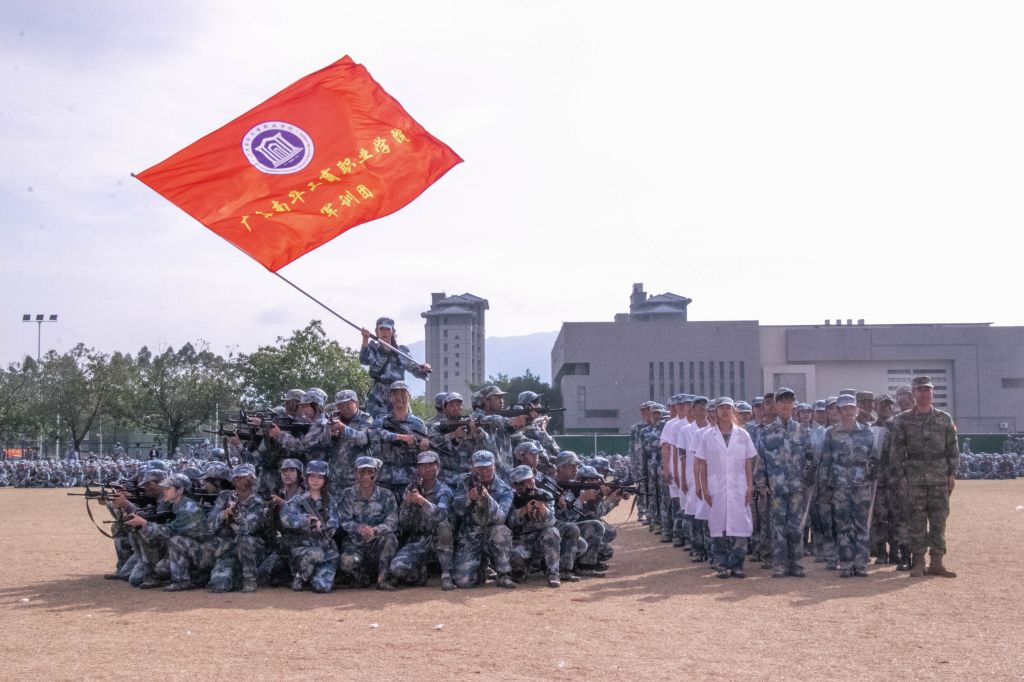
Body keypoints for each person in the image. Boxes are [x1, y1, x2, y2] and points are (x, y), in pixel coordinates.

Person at [890, 376, 959, 578]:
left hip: (939, 477)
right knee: (916, 520)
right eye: (919, 390)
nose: (924, 393)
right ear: (913, 394)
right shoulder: (902, 420)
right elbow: (896, 451)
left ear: (932, 393)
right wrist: (900, 476)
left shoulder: (944, 418)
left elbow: (953, 448)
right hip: (914, 477)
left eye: (927, 389)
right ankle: (919, 562)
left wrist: (952, 473)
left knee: (939, 520)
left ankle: (937, 562)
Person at [695, 398, 757, 578]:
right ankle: (721, 564)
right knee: (718, 526)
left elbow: (748, 461)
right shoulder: (708, 436)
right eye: (721, 408)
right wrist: (705, 488)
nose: (724, 411)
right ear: (715, 411)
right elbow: (702, 463)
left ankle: (737, 565)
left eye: (728, 408)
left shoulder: (743, 435)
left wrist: (750, 485)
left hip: (739, 487)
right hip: (717, 488)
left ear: (733, 411)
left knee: (740, 526)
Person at [820, 395, 879, 578]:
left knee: (861, 525)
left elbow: (874, 457)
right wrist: (825, 486)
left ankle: (860, 564)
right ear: (838, 411)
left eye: (851, 408)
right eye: (844, 408)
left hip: (862, 485)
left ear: (856, 410)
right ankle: (846, 564)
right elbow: (826, 461)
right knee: (843, 525)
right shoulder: (831, 433)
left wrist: (872, 475)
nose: (848, 411)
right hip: (840, 485)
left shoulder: (867, 432)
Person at [757, 387, 813, 578]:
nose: (786, 405)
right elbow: (761, 461)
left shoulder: (802, 431)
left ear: (794, 404)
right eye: (782, 401)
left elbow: (810, 459)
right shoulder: (767, 432)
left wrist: (806, 480)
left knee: (796, 527)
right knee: (778, 527)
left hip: (796, 488)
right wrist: (762, 484)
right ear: (775, 405)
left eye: (789, 401)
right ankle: (780, 565)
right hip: (776, 489)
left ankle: (796, 564)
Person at [124, 473, 214, 592]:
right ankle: (197, 576)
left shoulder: (189, 509)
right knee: (161, 568)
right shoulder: (176, 505)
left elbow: (168, 532)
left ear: (180, 490)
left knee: (175, 540)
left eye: (168, 488)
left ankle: (181, 581)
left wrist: (145, 523)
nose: (164, 491)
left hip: (206, 553)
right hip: (193, 550)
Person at [388, 451, 456, 590]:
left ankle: (446, 574)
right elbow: (404, 523)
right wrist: (407, 505)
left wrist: (422, 501)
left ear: (438, 467)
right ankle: (422, 573)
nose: (427, 469)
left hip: (439, 541)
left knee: (443, 525)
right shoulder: (412, 489)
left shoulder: (444, 491)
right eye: (423, 466)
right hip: (418, 540)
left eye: (431, 465)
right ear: (418, 469)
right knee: (396, 569)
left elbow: (441, 515)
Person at [451, 450, 516, 589]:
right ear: (473, 468)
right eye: (480, 468)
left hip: (491, 536)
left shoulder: (505, 489)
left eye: (488, 467)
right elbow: (456, 510)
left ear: (494, 466)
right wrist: (469, 497)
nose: (484, 471)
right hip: (470, 537)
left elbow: (500, 518)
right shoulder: (464, 482)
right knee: (463, 581)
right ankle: (481, 567)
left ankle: (504, 574)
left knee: (501, 530)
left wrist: (488, 499)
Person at [336, 456, 400, 590]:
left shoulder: (387, 495)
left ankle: (383, 578)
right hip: (354, 543)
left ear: (376, 474)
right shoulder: (347, 494)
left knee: (390, 538)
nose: (366, 476)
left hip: (377, 542)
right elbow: (344, 520)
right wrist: (359, 528)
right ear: (356, 474)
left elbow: (392, 522)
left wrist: (375, 530)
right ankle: (362, 577)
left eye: (370, 472)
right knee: (347, 563)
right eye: (362, 472)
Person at [207, 463, 270, 593]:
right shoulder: (225, 496)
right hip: (228, 549)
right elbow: (209, 524)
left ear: (252, 479)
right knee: (219, 585)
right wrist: (224, 514)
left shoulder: (259, 502)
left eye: (245, 477)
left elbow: (249, 529)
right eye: (238, 477)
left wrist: (237, 517)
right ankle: (236, 575)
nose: (241, 481)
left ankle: (249, 579)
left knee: (244, 538)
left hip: (252, 551)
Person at [279, 459, 340, 593]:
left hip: (327, 551)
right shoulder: (298, 499)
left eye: (320, 477)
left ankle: (312, 576)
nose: (315, 480)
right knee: (315, 554)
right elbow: (285, 518)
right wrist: (307, 520)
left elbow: (334, 522)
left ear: (325, 480)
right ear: (306, 478)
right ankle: (300, 577)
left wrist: (325, 527)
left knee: (322, 587)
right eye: (312, 476)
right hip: (304, 549)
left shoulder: (331, 501)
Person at [359, 317, 431, 419]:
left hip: (398, 393)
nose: (384, 332)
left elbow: (416, 370)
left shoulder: (401, 351)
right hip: (378, 394)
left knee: (404, 421)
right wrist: (365, 339)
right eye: (381, 329)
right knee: (375, 422)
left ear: (392, 331)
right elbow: (364, 360)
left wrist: (424, 369)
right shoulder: (373, 348)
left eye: (387, 329)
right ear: (376, 331)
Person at [507, 464, 562, 587]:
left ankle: (553, 573)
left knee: (552, 531)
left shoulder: (545, 495)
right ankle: (522, 570)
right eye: (522, 483)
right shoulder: (510, 497)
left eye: (530, 480)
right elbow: (507, 522)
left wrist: (542, 509)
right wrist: (523, 511)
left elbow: (552, 521)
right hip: (519, 543)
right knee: (516, 570)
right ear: (515, 485)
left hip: (539, 542)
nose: (528, 485)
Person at [372, 381, 430, 497]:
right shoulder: (381, 421)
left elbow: (423, 456)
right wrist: (399, 437)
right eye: (395, 394)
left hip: (409, 480)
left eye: (403, 393)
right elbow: (372, 433)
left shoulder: (419, 424)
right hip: (386, 479)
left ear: (409, 396)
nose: (399, 397)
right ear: (390, 398)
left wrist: (423, 449)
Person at [326, 389, 374, 495]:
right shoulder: (334, 417)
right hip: (336, 477)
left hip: (358, 478)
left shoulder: (366, 418)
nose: (344, 409)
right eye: (340, 405)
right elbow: (323, 442)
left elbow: (363, 438)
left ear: (356, 403)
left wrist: (343, 428)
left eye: (348, 404)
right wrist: (331, 434)